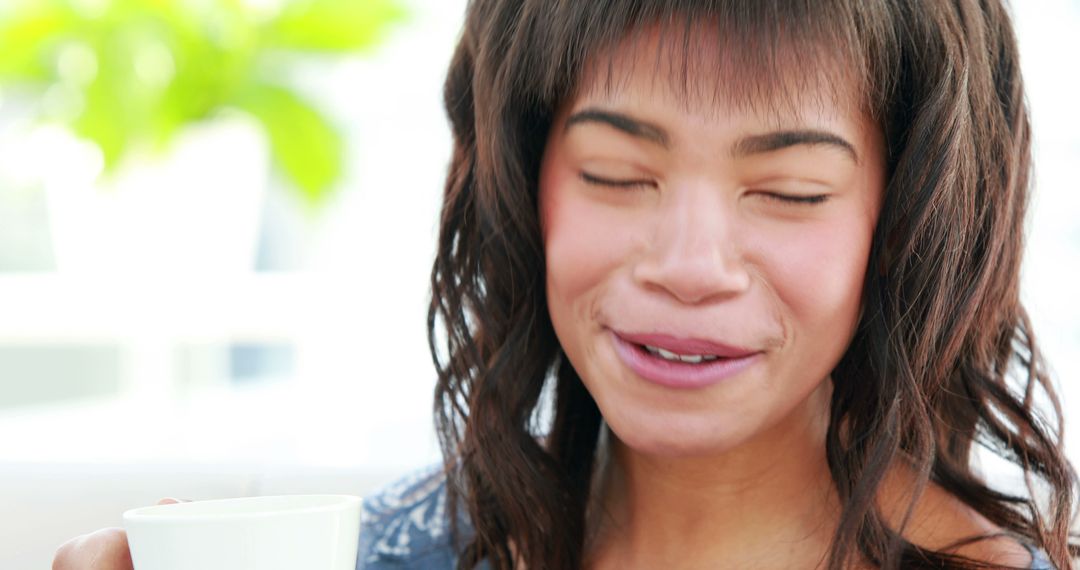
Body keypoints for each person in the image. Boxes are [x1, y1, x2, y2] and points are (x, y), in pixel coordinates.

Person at [54, 0, 1077, 569]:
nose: (687, 265)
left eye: (788, 191)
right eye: (616, 176)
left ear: (902, 228)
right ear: (518, 185)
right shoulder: (393, 554)